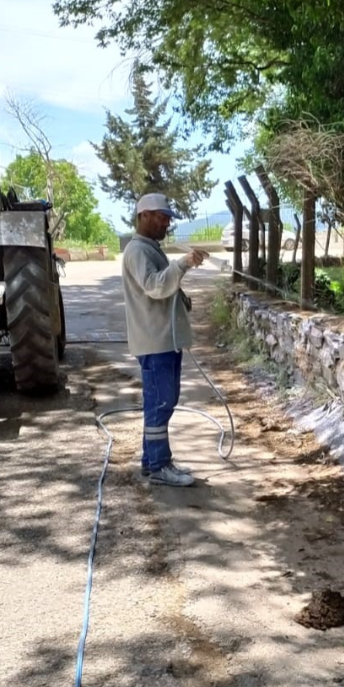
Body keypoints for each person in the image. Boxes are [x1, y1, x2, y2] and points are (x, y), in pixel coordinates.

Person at [122, 192, 209, 487]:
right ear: (143, 216)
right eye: (161, 217)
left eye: (168, 219)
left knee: (159, 401)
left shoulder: (148, 248)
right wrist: (182, 265)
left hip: (162, 339)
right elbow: (155, 286)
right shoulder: (138, 251)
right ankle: (160, 466)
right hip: (156, 341)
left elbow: (162, 287)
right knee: (162, 402)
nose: (165, 224)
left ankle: (152, 460)